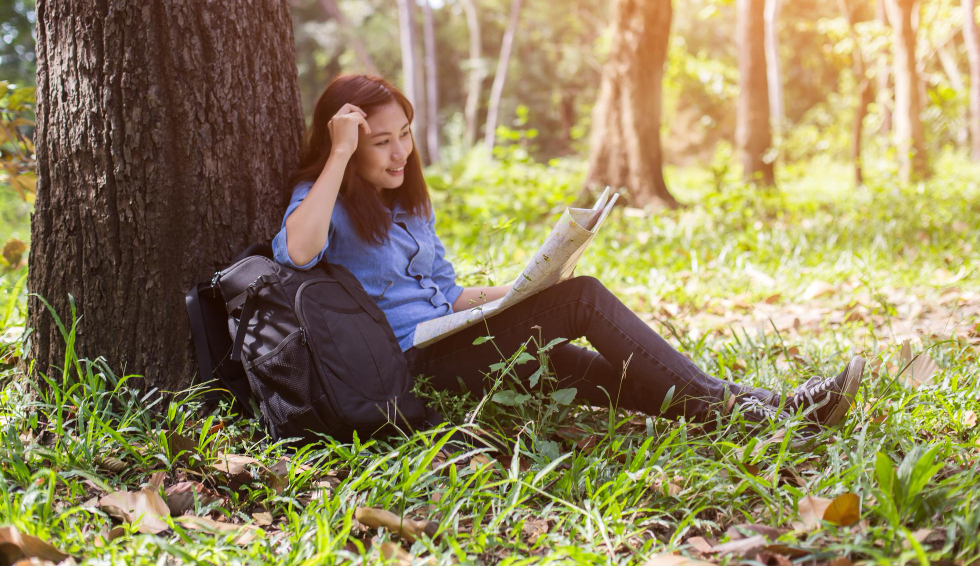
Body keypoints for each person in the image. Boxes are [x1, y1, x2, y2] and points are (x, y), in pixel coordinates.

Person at [273, 73, 864, 436]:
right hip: (414, 367)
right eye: (382, 141)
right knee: (584, 302)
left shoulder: (407, 205)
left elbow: (452, 297)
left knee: (590, 373)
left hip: (460, 339)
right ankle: (754, 411)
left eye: (405, 133)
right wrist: (341, 153)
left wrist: (529, 288)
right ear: (348, 146)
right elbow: (297, 253)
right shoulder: (326, 199)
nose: (400, 151)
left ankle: (779, 410)